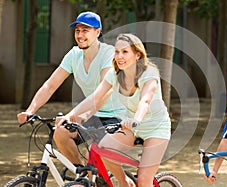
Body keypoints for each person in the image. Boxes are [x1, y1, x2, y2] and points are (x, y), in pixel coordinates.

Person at [56, 33, 171, 187]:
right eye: (117, 52)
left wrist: (136, 119)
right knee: (102, 149)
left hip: (155, 128)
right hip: (130, 127)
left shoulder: (149, 73)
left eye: (125, 52)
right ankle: (125, 183)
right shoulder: (114, 75)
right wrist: (70, 116)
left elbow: (145, 99)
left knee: (144, 180)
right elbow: (94, 98)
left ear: (137, 55)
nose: (119, 56)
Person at [17, 11, 124, 166]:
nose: (80, 35)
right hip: (91, 115)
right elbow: (50, 85)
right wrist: (30, 110)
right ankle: (83, 175)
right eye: (77, 31)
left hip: (116, 116)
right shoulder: (74, 55)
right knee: (60, 132)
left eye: (85, 31)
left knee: (91, 153)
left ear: (97, 32)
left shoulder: (109, 54)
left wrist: (73, 115)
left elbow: (102, 93)